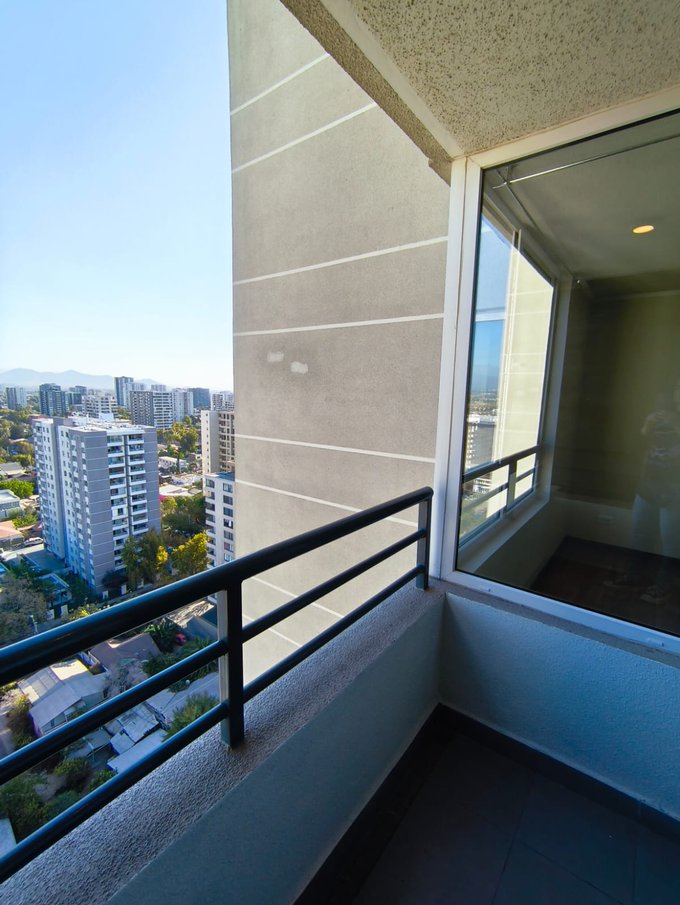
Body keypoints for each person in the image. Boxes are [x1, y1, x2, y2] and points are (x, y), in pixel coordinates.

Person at [611, 382, 680, 603]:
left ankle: (664, 587)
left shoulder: (673, 420)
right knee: (639, 533)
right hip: (649, 484)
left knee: (672, 542)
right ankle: (634, 576)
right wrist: (646, 427)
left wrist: (676, 426)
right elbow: (637, 447)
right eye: (678, 387)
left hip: (675, 490)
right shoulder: (662, 414)